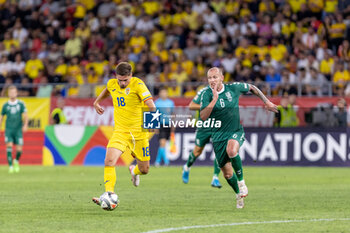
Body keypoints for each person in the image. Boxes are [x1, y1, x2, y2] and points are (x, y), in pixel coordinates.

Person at [200, 67, 278, 209]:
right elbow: (203, 117)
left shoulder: (233, 89)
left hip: (235, 131)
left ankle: (242, 183)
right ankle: (238, 194)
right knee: (228, 175)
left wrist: (266, 101)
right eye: (210, 78)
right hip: (217, 137)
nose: (212, 80)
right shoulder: (206, 94)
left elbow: (252, 88)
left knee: (231, 150)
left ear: (222, 78)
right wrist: (214, 100)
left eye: (215, 77)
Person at [92, 62, 156, 207]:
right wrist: (96, 102)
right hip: (120, 132)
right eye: (119, 80)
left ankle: (134, 171)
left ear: (131, 76)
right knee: (109, 160)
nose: (122, 83)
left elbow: (152, 106)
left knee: (145, 170)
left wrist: (151, 123)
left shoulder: (138, 85)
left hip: (139, 134)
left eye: (125, 80)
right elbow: (108, 90)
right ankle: (109, 193)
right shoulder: (112, 83)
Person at [182, 86, 222, 188]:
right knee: (197, 151)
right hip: (204, 126)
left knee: (219, 151)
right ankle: (186, 167)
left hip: (217, 126)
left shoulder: (225, 92)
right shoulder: (203, 91)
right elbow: (191, 105)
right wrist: (207, 106)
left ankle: (215, 178)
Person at [0, 85, 28, 173]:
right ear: (8, 94)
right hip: (8, 129)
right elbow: (1, 117)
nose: (12, 94)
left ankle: (16, 160)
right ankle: (11, 166)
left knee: (19, 150)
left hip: (18, 130)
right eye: (10, 92)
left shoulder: (21, 104)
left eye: (13, 92)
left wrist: (25, 125)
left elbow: (25, 115)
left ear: (16, 93)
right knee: (9, 146)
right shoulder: (5, 105)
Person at [154, 87, 174, 166]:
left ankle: (158, 161)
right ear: (159, 94)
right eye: (162, 92)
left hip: (168, 124)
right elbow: (154, 114)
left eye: (165, 92)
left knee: (164, 143)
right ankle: (166, 161)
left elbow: (172, 114)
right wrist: (155, 126)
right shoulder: (156, 103)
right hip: (160, 124)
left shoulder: (171, 102)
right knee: (162, 143)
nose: (163, 94)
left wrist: (173, 124)